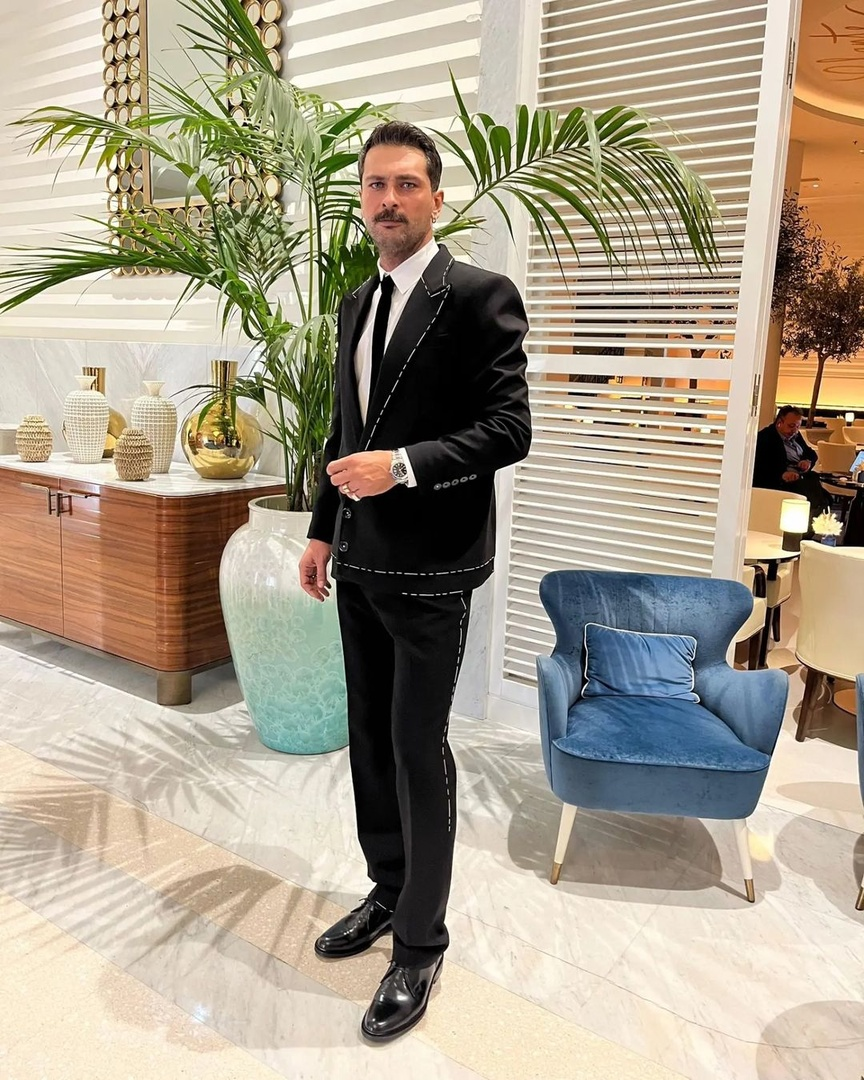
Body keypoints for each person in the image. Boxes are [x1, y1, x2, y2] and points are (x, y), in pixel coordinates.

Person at [298, 121, 531, 1042]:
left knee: (415, 747)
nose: (388, 200)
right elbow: (343, 429)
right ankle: (387, 890)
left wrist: (401, 467)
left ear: (436, 197)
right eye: (374, 185)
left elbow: (510, 430)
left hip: (433, 567)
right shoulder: (356, 303)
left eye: (405, 184)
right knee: (367, 739)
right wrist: (322, 528)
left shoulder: (478, 296)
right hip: (358, 560)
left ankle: (421, 944)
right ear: (363, 199)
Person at [752, 405, 830, 518]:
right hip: (781, 483)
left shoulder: (795, 436)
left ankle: (816, 517)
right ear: (779, 423)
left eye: (797, 426)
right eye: (791, 426)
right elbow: (760, 466)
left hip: (801, 477)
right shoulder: (765, 438)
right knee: (815, 497)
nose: (794, 430)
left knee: (822, 494)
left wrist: (807, 461)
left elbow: (811, 453)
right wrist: (781, 475)